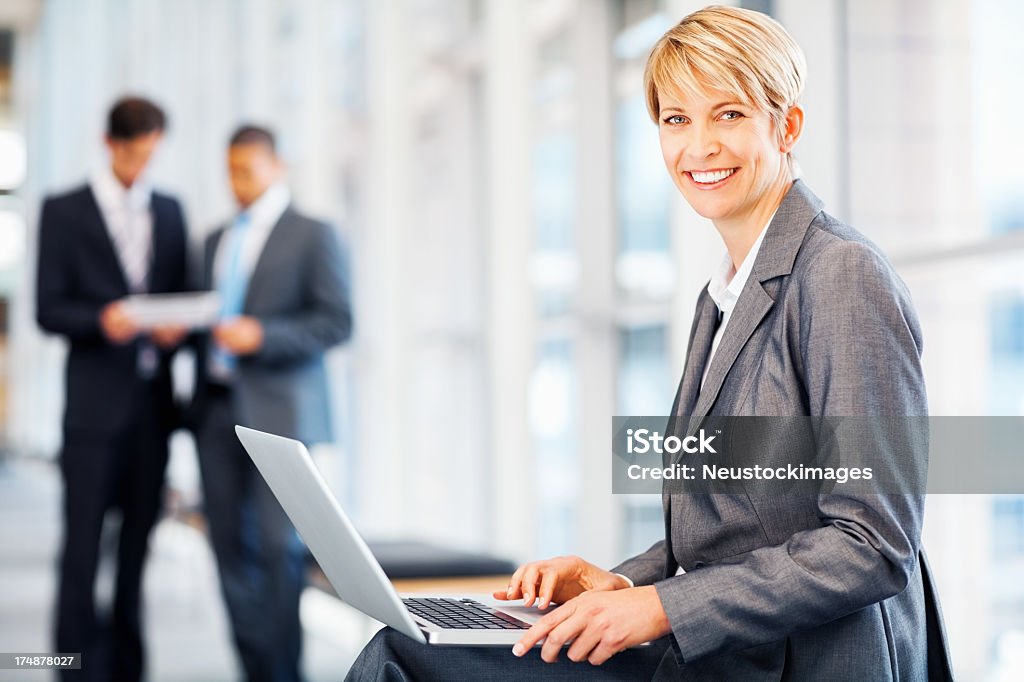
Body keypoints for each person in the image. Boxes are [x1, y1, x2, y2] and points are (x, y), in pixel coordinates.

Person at [346, 6, 954, 681]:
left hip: (794, 662)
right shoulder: (725, 292)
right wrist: (619, 583)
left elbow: (871, 544)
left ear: (787, 125)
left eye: (729, 114)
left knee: (403, 663)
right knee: (406, 649)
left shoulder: (842, 275)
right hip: (720, 648)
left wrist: (661, 608)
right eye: (676, 120)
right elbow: (734, 531)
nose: (700, 147)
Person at [189, 125, 352, 682]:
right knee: (228, 550)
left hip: (281, 417)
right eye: (230, 171)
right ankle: (255, 669)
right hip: (215, 412)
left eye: (248, 171)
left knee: (281, 553)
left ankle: (284, 673)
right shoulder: (214, 240)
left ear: (277, 166)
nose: (237, 183)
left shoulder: (312, 233)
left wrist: (262, 335)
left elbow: (336, 321)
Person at [36, 96, 188, 682]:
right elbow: (49, 310)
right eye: (134, 154)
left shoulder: (170, 211)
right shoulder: (64, 210)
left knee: (135, 553)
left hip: (153, 409)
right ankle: (70, 668)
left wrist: (176, 329)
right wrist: (103, 320)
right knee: (80, 549)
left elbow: (185, 295)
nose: (142, 167)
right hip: (93, 412)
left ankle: (127, 668)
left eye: (152, 155)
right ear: (110, 144)